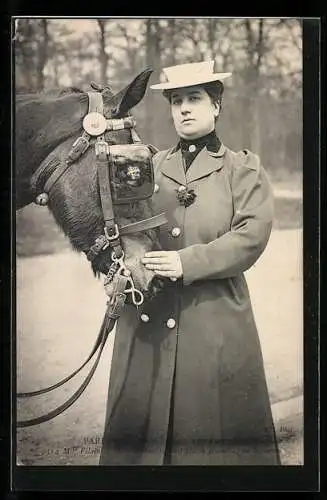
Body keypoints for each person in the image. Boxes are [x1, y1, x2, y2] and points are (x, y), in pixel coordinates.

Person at [99, 61, 281, 466]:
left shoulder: (242, 168)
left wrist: (187, 262)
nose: (184, 108)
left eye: (194, 99)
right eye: (176, 100)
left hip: (212, 319)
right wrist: (118, 266)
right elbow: (121, 228)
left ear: (216, 106)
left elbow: (251, 236)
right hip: (149, 321)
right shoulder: (145, 166)